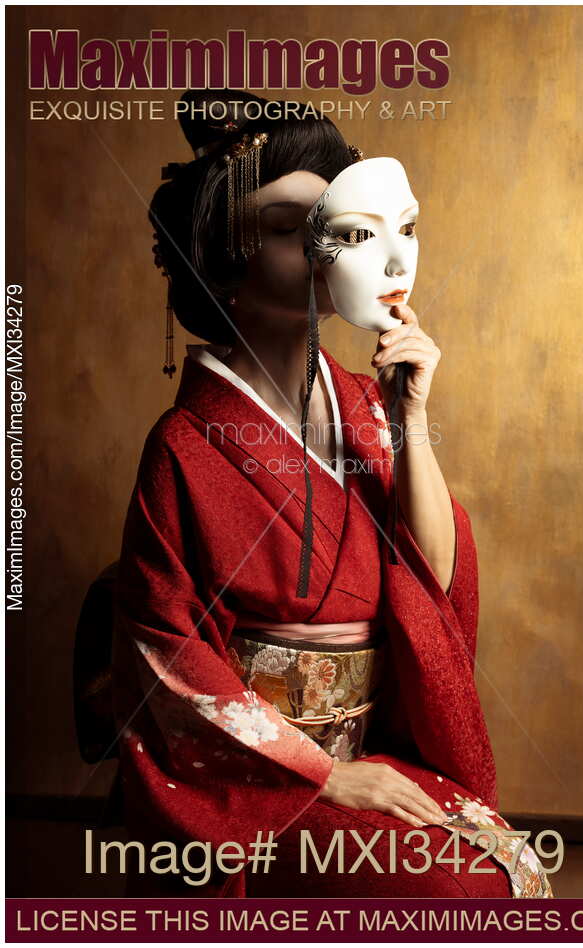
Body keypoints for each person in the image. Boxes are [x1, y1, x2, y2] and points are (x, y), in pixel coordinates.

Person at [111, 90, 553, 899]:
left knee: (506, 870)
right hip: (258, 783)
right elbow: (163, 652)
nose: (326, 251)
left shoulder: (362, 403)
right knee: (455, 891)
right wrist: (319, 774)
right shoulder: (183, 446)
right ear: (222, 259)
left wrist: (410, 419)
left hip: (367, 747)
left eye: (337, 228)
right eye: (289, 229)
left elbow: (434, 580)